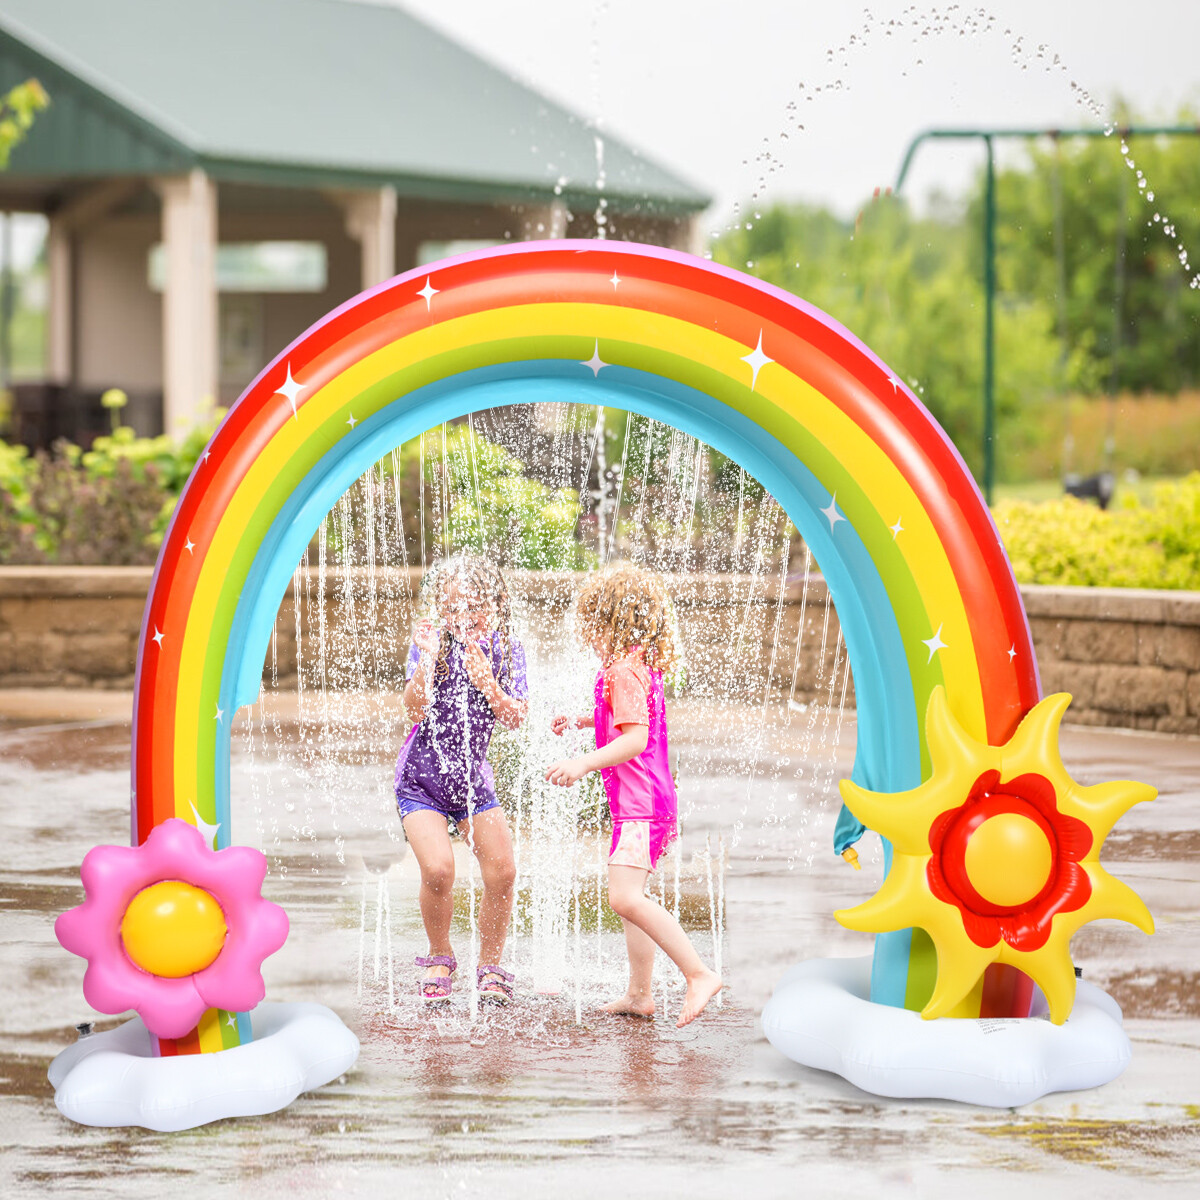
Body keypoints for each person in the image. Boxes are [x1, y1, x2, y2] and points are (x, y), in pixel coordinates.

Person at [546, 563, 722, 1027]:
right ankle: (640, 994)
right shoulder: (636, 664)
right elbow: (625, 720)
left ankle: (698, 973)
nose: (586, 636)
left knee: (624, 899)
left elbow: (636, 739)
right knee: (632, 897)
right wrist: (587, 721)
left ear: (609, 620)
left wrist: (582, 762)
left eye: (590, 624)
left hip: (641, 806)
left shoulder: (622, 671)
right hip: (647, 803)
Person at [396, 554, 527, 1004]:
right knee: (438, 870)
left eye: (475, 608)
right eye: (453, 609)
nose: (465, 619)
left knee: (504, 871)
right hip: (421, 781)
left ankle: (490, 966)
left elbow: (515, 717)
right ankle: (439, 956)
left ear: (496, 604)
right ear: (439, 607)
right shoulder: (432, 646)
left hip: (472, 783)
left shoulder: (507, 650)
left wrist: (488, 682)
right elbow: (413, 709)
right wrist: (426, 665)